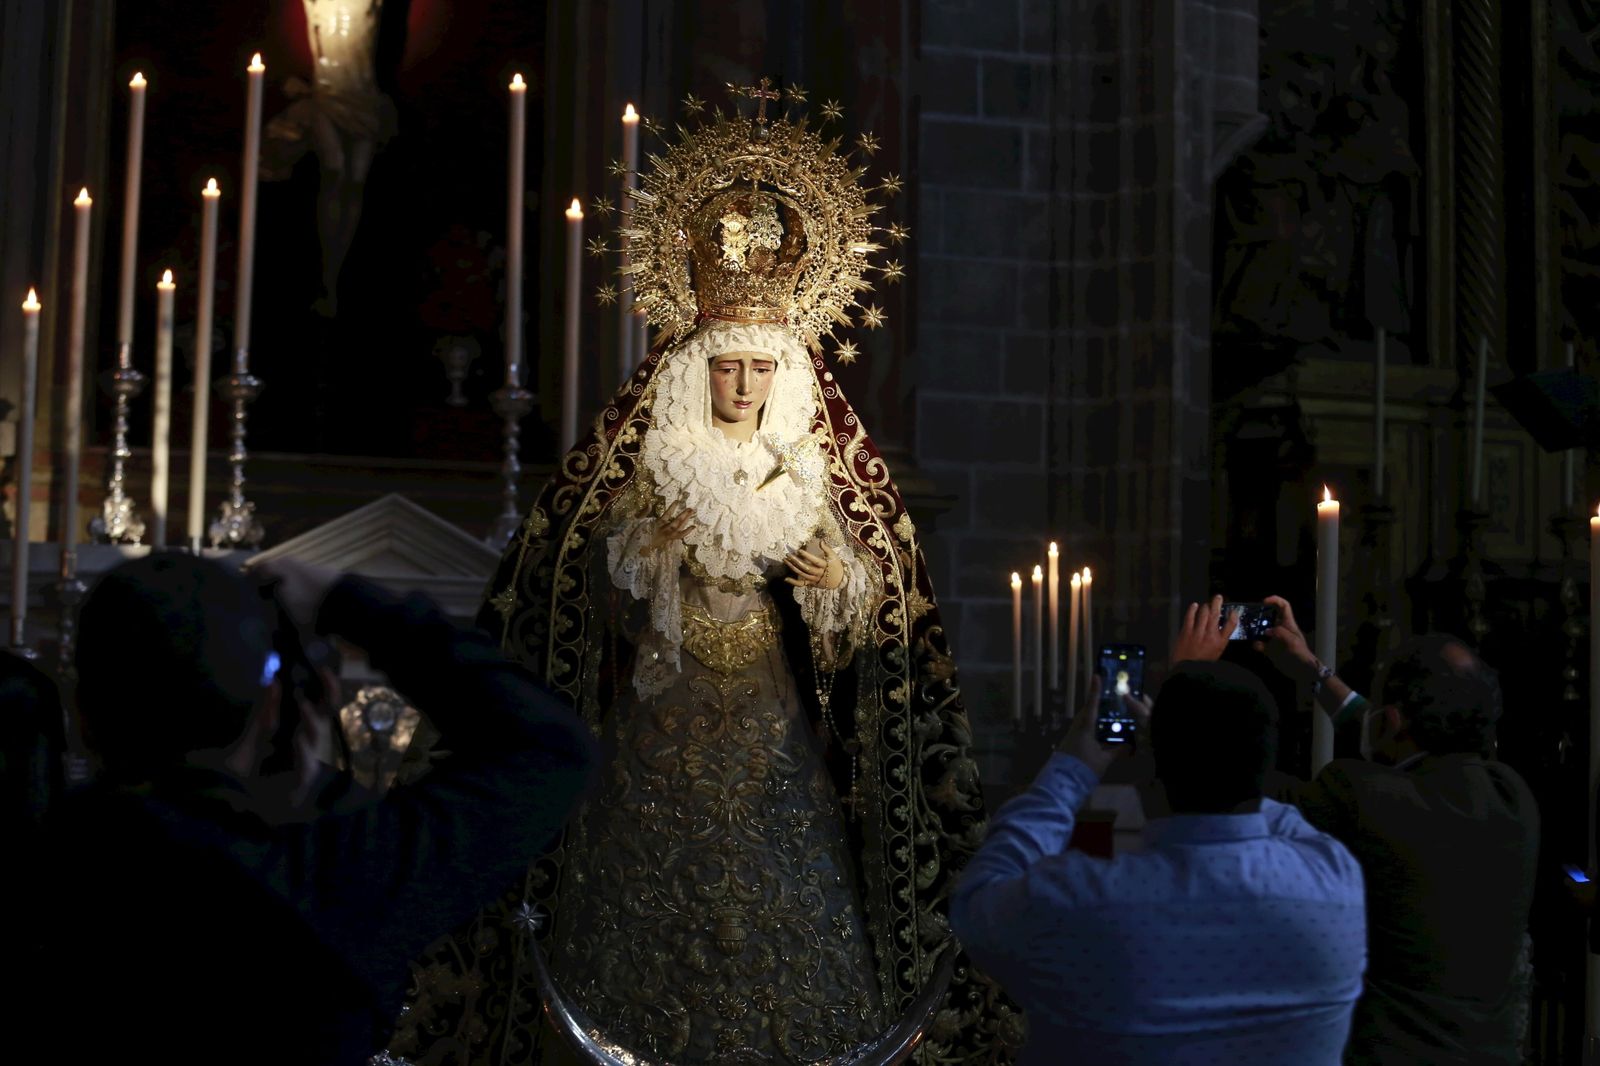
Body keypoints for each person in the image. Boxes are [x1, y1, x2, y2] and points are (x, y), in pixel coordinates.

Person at [392, 81, 1019, 1063]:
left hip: (777, 735)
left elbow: (884, 625)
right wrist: (646, 559)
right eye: (727, 367)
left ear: (785, 370)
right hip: (659, 725)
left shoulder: (826, 472)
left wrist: (831, 584)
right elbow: (566, 601)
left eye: (760, 370)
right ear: (698, 363)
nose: (741, 385)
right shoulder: (646, 463)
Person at [28, 553, 597, 1065]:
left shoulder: (47, 859)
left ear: (81, 712)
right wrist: (348, 603)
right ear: (272, 706)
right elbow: (549, 745)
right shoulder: (334, 878)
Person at [952, 599, 1368, 1065]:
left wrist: (1076, 763)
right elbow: (1252, 799)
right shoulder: (1336, 881)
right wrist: (1188, 725)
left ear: (1150, 779)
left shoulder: (1082, 901)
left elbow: (976, 903)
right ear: (1266, 764)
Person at [1249, 596, 1540, 1065]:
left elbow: (1238, 788)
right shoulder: (1513, 798)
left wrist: (1188, 680)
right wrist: (1314, 673)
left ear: (1394, 720)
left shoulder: (1361, 796)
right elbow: (1381, 729)